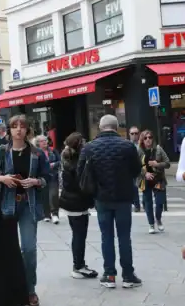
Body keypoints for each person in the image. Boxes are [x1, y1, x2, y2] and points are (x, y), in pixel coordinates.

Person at [0, 114, 49, 306]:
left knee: (29, 249)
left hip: (29, 206)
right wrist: (1, 178)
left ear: (27, 129)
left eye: (22, 126)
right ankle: (16, 292)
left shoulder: (37, 153)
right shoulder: (1, 152)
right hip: (7, 206)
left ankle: (30, 290)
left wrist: (37, 181)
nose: (18, 129)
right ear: (10, 130)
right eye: (15, 126)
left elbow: (48, 176)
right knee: (11, 251)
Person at [78, 114, 142, 289]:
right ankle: (128, 275)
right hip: (123, 197)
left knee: (106, 236)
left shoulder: (89, 147)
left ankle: (109, 275)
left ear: (100, 127)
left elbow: (80, 172)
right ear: (116, 127)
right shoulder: (128, 146)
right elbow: (137, 170)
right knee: (124, 237)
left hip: (101, 198)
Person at [58, 132, 98, 279]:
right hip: (76, 203)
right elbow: (78, 185)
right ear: (79, 144)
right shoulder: (76, 163)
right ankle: (78, 266)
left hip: (72, 202)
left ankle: (79, 264)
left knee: (79, 235)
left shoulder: (70, 160)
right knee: (79, 235)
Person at [137, 130, 170, 234]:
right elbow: (135, 167)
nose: (148, 140)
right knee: (148, 203)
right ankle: (151, 224)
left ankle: (158, 219)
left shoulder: (158, 149)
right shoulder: (139, 151)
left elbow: (167, 163)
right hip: (145, 180)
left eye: (150, 137)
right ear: (142, 140)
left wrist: (157, 164)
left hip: (158, 179)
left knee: (160, 202)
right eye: (145, 138)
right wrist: (144, 174)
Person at [36, 135, 61, 224]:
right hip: (42, 177)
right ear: (38, 143)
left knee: (53, 195)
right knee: (45, 196)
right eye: (42, 141)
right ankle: (47, 215)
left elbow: (60, 161)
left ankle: (55, 214)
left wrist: (53, 164)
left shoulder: (53, 151)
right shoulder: (36, 152)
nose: (44, 142)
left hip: (53, 176)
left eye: (45, 140)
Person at [128, 126, 141, 211]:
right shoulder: (126, 145)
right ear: (129, 134)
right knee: (134, 187)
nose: (134, 135)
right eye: (132, 134)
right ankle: (137, 205)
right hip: (132, 170)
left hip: (142, 169)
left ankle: (145, 203)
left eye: (136, 133)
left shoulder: (142, 144)